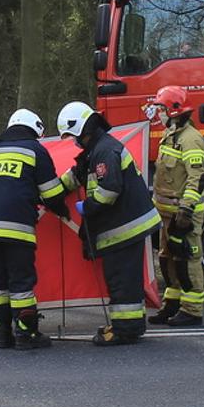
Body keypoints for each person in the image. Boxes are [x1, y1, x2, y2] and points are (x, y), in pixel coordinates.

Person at [56, 101, 161, 346]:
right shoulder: (98, 149)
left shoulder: (103, 151)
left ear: (82, 130)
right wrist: (54, 191)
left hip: (124, 228)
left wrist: (87, 206)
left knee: (121, 280)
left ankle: (124, 331)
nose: (74, 142)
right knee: (127, 280)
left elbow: (109, 190)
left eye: (73, 136)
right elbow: (77, 175)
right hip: (126, 226)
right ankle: (132, 325)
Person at [0, 108, 68, 349]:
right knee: (21, 282)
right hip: (18, 228)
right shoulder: (34, 150)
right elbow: (52, 193)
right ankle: (26, 335)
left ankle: (2, 334)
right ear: (35, 129)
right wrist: (63, 209)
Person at [145, 86, 204, 328]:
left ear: (174, 110)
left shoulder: (191, 139)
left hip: (183, 215)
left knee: (188, 260)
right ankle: (171, 304)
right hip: (166, 214)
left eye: (161, 108)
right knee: (167, 258)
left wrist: (186, 210)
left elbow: (197, 177)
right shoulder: (170, 135)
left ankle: (192, 311)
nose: (158, 113)